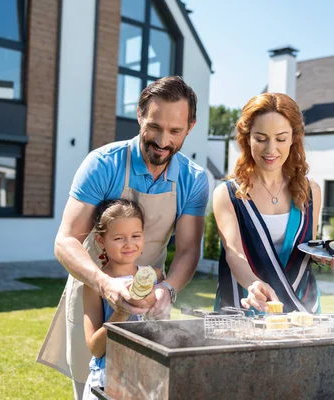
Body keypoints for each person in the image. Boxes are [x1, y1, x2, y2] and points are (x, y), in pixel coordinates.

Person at [37, 76, 209, 399]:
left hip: (151, 300)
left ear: (191, 126)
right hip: (93, 289)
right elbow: (65, 240)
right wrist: (104, 285)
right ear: (140, 114)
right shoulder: (102, 164)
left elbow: (188, 250)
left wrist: (167, 290)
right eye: (155, 126)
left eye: (175, 131)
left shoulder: (194, 179)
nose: (162, 140)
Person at [213, 92, 334, 315]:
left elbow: (307, 247)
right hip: (246, 307)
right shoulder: (228, 194)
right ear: (246, 138)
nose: (271, 149)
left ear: (293, 139)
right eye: (260, 138)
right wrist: (252, 284)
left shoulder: (310, 191)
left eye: (280, 139)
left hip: (301, 309)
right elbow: (234, 254)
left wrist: (329, 256)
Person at [82, 199, 163, 399]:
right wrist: (121, 312)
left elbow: (162, 328)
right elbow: (95, 348)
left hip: (148, 379)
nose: (129, 244)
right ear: (101, 241)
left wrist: (155, 301)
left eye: (136, 236)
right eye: (119, 238)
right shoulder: (95, 285)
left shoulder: (155, 276)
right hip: (108, 379)